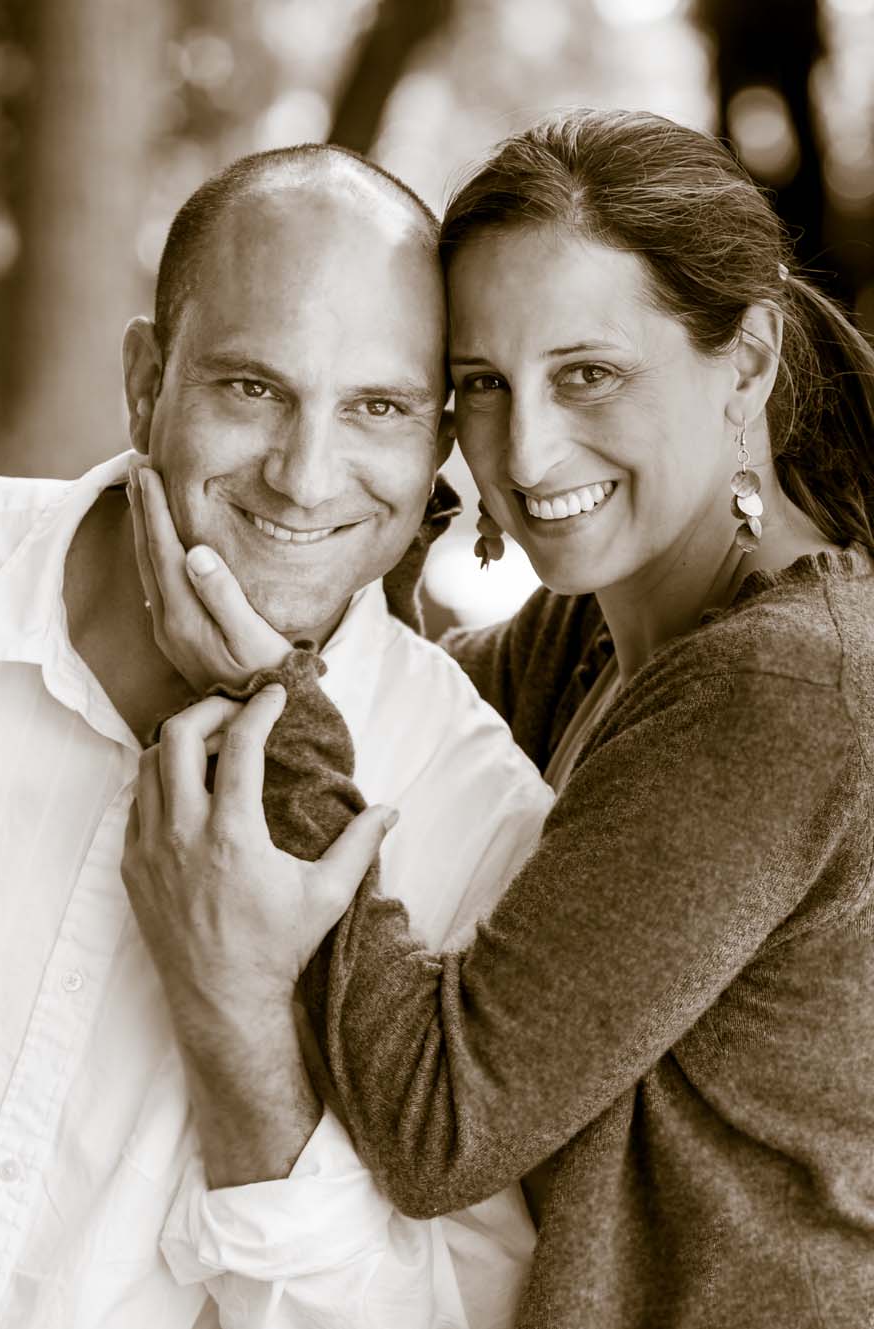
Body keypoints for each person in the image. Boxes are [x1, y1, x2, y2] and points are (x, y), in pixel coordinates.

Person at [122, 108, 874, 1328]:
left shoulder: (782, 686)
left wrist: (273, 698)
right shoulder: (594, 642)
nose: (522, 452)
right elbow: (408, 706)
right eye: (479, 385)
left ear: (745, 365)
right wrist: (349, 526)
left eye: (589, 374)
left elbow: (439, 1123)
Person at [0, 145, 555, 1329]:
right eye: (252, 388)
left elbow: (451, 1316)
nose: (304, 474)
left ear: (435, 443)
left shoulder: (473, 812)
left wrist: (237, 1026)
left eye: (377, 409)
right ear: (146, 383)